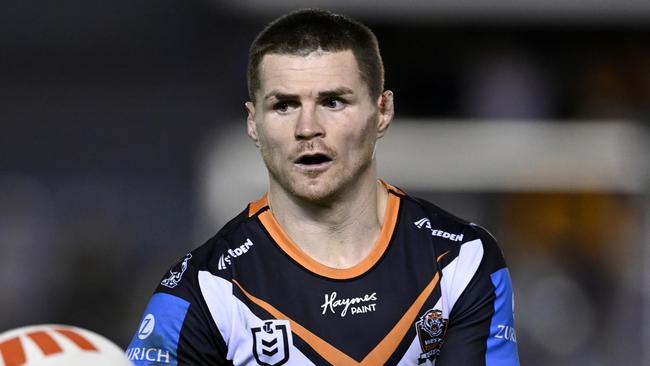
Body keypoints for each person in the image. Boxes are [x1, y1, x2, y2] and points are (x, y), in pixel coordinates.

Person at [127, 9, 519, 366]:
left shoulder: (460, 260)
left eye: (332, 102)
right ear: (253, 123)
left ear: (382, 112)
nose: (307, 128)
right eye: (284, 105)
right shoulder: (203, 287)